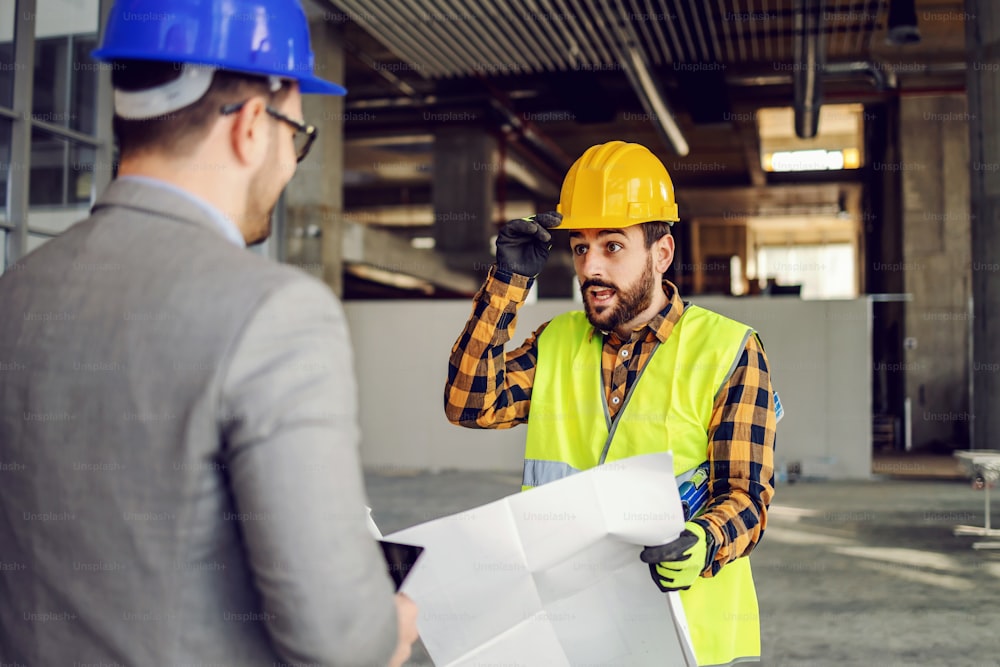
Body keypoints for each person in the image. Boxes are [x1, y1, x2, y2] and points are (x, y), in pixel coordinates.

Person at [0, 1, 417, 665]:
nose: (289, 165)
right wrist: (384, 626)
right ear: (254, 124)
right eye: (297, 139)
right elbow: (338, 640)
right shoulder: (276, 313)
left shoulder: (17, 292)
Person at [444, 140, 777, 666]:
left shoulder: (729, 349)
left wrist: (703, 541)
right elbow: (469, 404)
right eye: (580, 247)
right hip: (574, 630)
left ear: (661, 253)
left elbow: (746, 495)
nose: (591, 268)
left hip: (683, 635)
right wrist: (507, 284)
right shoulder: (556, 340)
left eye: (612, 247)